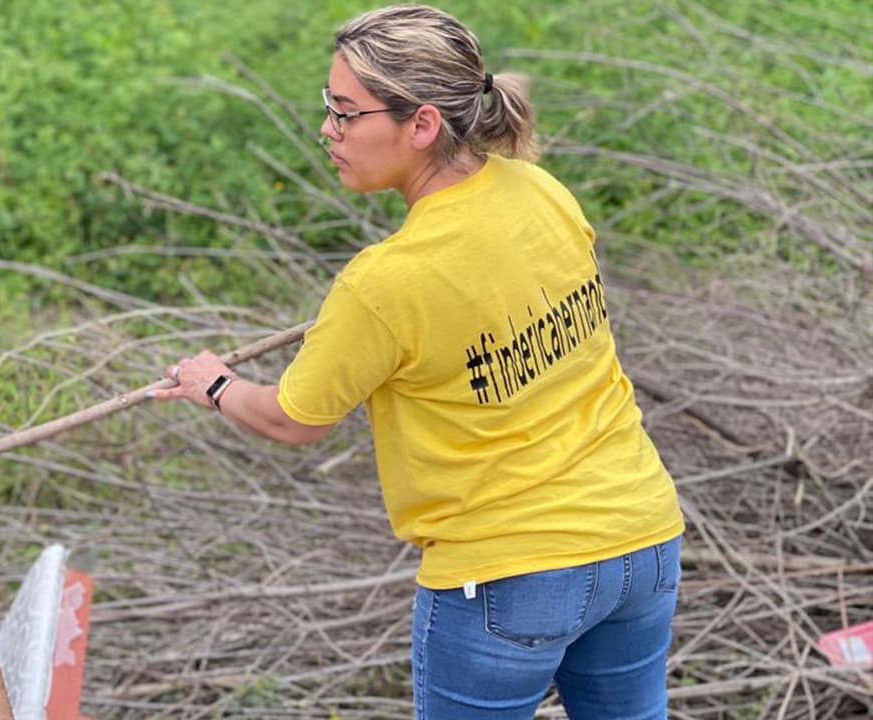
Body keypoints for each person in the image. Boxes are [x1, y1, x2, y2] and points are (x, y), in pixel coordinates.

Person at [149, 4, 685, 718]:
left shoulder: (383, 284)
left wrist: (214, 384)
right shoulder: (541, 191)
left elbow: (293, 420)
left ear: (423, 123)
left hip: (506, 577)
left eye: (345, 114)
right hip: (641, 540)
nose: (327, 132)